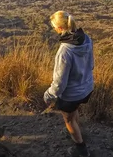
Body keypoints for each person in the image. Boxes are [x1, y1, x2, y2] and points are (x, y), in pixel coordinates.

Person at [44, 11, 94, 157]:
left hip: (72, 93)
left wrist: (49, 95)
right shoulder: (86, 39)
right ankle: (78, 132)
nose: (54, 29)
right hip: (87, 87)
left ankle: (81, 149)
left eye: (54, 27)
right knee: (74, 111)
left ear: (59, 29)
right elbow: (91, 65)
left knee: (68, 119)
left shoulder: (65, 51)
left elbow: (60, 82)